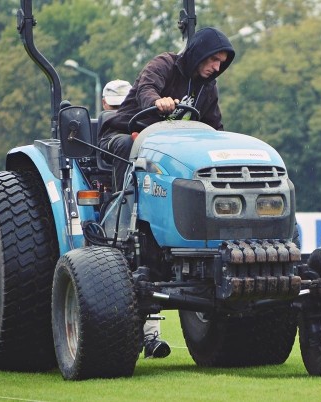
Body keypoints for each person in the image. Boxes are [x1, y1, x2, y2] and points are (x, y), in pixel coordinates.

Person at [98, 27, 235, 191]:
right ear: (200, 53)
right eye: (214, 59)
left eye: (221, 62)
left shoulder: (208, 87)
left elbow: (214, 126)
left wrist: (224, 151)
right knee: (128, 144)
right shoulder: (164, 64)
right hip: (122, 133)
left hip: (166, 144)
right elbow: (146, 89)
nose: (217, 68)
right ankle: (122, 204)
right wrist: (156, 102)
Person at [100, 79, 172, 359]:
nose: (118, 109)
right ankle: (144, 337)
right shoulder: (109, 130)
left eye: (123, 104)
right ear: (105, 104)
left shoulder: (147, 123)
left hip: (150, 191)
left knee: (147, 267)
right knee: (136, 268)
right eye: (114, 105)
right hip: (115, 187)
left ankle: (152, 338)